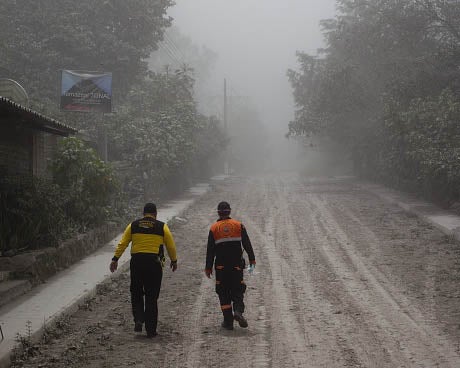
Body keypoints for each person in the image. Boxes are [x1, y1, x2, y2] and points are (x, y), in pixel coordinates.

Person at [109, 202, 177, 338]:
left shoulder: (133, 225)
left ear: (143, 213)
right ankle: (151, 331)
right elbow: (170, 245)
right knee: (152, 297)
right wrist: (174, 260)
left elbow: (123, 243)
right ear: (155, 214)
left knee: (136, 292)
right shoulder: (162, 226)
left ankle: (139, 319)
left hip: (137, 262)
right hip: (154, 264)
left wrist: (115, 259)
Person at [205, 201, 256, 330]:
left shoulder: (214, 228)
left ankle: (228, 322)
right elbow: (247, 244)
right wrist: (252, 259)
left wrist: (208, 267)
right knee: (238, 289)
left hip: (221, 268)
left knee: (223, 292)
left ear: (218, 212)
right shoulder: (239, 225)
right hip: (236, 266)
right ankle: (238, 311)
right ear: (229, 211)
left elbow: (210, 250)